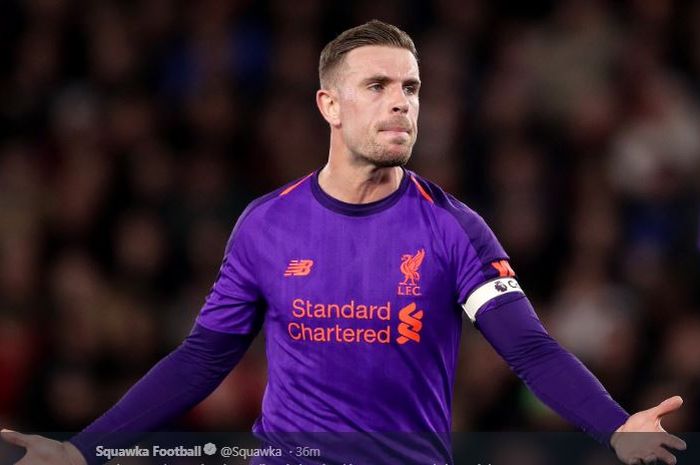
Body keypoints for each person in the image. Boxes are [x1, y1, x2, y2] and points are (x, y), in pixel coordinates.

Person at [1, 20, 687, 465]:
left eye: (412, 87)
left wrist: (613, 425)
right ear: (330, 104)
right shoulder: (265, 224)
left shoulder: (453, 227)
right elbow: (204, 355)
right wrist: (85, 450)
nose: (402, 102)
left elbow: (529, 348)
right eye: (379, 85)